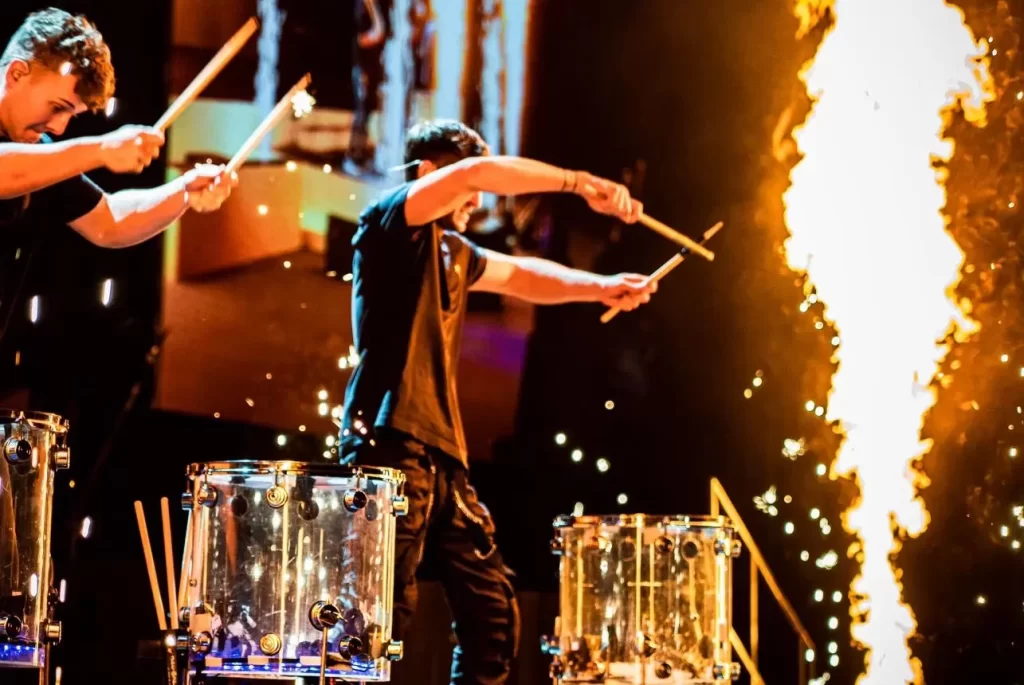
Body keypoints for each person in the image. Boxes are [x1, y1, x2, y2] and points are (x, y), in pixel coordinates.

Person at [340, 119, 657, 684]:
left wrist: (603, 286)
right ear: (429, 174)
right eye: (467, 186)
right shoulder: (389, 222)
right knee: (375, 618)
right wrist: (578, 182)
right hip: (388, 447)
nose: (478, 200)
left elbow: (524, 276)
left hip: (444, 458)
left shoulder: (455, 253)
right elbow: (478, 174)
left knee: (493, 617)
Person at [0, 8, 234, 244]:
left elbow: (108, 222)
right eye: (57, 107)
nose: (59, 128)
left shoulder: (38, 152)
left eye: (72, 115)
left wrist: (184, 191)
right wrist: (102, 150)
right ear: (16, 74)